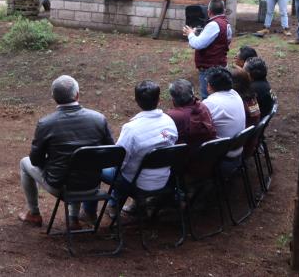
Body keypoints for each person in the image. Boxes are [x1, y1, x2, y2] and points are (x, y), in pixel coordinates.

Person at [18, 75, 114, 229]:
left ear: (53, 97)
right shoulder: (98, 119)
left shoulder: (46, 123)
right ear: (77, 95)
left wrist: (52, 163)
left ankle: (34, 214)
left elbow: (35, 160)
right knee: (78, 163)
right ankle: (73, 218)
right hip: (92, 184)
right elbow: (110, 154)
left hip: (61, 186)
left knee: (25, 163)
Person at [101, 81, 178, 221]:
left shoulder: (132, 129)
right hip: (164, 180)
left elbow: (119, 159)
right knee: (129, 167)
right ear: (159, 99)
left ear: (136, 101)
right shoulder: (169, 121)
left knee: (106, 170)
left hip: (138, 183)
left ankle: (113, 206)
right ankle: (135, 205)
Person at [183, 0, 231, 99]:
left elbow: (197, 44)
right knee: (220, 96)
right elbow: (221, 42)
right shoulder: (226, 23)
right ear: (224, 10)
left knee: (208, 98)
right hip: (220, 65)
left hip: (210, 68)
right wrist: (196, 35)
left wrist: (190, 34)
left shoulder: (213, 25)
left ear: (209, 11)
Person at [202, 67, 246, 159]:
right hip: (239, 146)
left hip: (223, 152)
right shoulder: (234, 93)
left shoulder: (210, 103)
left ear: (209, 86)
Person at [165, 79, 216, 156]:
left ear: (173, 99)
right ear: (192, 94)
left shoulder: (173, 116)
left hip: (187, 159)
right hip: (208, 155)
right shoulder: (202, 106)